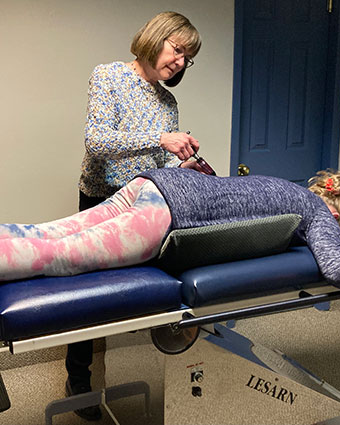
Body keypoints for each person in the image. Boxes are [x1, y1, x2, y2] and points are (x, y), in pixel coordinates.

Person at [0, 168, 340, 293]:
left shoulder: (287, 187)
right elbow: (338, 268)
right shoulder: (317, 212)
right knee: (57, 257)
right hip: (170, 211)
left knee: (46, 233)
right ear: (336, 214)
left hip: (152, 184)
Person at [75, 10, 202, 420]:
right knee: (87, 295)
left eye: (188, 58)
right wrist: (160, 137)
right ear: (157, 37)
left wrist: (184, 166)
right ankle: (79, 379)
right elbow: (97, 142)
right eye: (178, 50)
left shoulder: (168, 101)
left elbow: (161, 161)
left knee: (136, 288)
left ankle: (145, 361)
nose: (181, 62)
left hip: (142, 205)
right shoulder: (109, 76)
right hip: (102, 198)